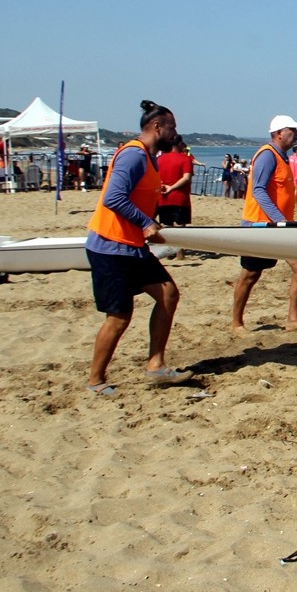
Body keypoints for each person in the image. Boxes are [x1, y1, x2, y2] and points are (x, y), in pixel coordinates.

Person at [84, 100, 192, 396]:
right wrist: (146, 223)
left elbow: (136, 197)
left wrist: (151, 224)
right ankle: (95, 380)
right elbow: (113, 198)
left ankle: (156, 366)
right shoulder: (133, 155)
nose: (175, 132)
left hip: (131, 246)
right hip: (109, 246)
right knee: (119, 317)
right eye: (172, 127)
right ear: (157, 127)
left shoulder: (150, 156)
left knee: (168, 294)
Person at [231, 115, 297, 334]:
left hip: (280, 228)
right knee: (250, 275)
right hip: (260, 227)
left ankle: (293, 320)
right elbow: (258, 189)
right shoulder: (268, 155)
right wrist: (278, 219)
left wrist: (285, 222)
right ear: (279, 133)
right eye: (292, 130)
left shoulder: (282, 156)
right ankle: (237, 323)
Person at [156, 135, 195, 260]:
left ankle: (171, 251)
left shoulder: (159, 159)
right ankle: (180, 254)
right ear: (178, 144)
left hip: (163, 197)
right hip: (179, 197)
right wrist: (172, 188)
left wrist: (163, 186)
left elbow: (155, 177)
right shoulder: (185, 159)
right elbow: (186, 178)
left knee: (168, 226)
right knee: (180, 227)